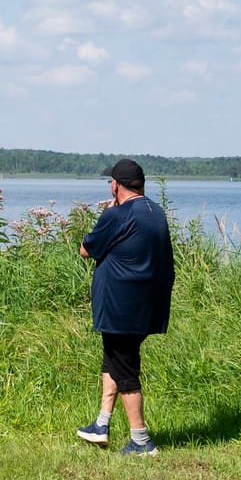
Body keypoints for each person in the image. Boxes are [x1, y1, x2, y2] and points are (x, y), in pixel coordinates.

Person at [75, 158, 174, 456]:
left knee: (126, 369)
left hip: (121, 305)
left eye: (111, 182)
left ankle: (141, 441)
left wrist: (107, 214)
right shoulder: (156, 212)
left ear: (116, 185)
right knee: (114, 360)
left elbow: (85, 250)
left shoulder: (116, 215)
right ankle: (101, 425)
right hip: (148, 303)